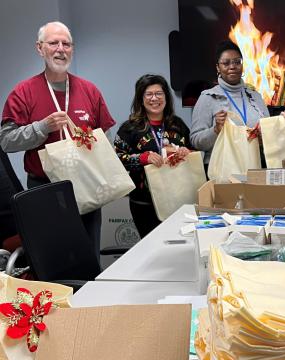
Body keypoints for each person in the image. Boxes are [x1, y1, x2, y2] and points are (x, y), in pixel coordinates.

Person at [0, 21, 115, 260]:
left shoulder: (89, 90)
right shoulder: (23, 92)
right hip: (44, 188)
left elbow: (106, 138)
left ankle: (88, 295)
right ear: (40, 48)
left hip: (86, 185)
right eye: (53, 43)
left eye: (66, 44)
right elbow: (7, 141)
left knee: (88, 254)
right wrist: (43, 127)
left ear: (72, 49)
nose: (60, 49)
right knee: (52, 258)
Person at [114, 74, 192, 238]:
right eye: (149, 94)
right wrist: (142, 158)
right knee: (152, 249)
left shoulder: (178, 125)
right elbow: (116, 161)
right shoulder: (129, 129)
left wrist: (187, 153)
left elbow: (193, 154)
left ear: (166, 97)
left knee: (178, 246)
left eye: (159, 93)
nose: (154, 98)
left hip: (178, 199)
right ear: (141, 99)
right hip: (144, 203)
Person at [190, 40, 269, 169]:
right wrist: (215, 130)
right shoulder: (207, 97)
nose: (232, 66)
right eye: (226, 63)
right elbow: (195, 141)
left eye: (237, 62)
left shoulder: (255, 96)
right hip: (222, 170)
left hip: (255, 166)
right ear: (218, 67)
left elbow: (269, 134)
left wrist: (263, 134)